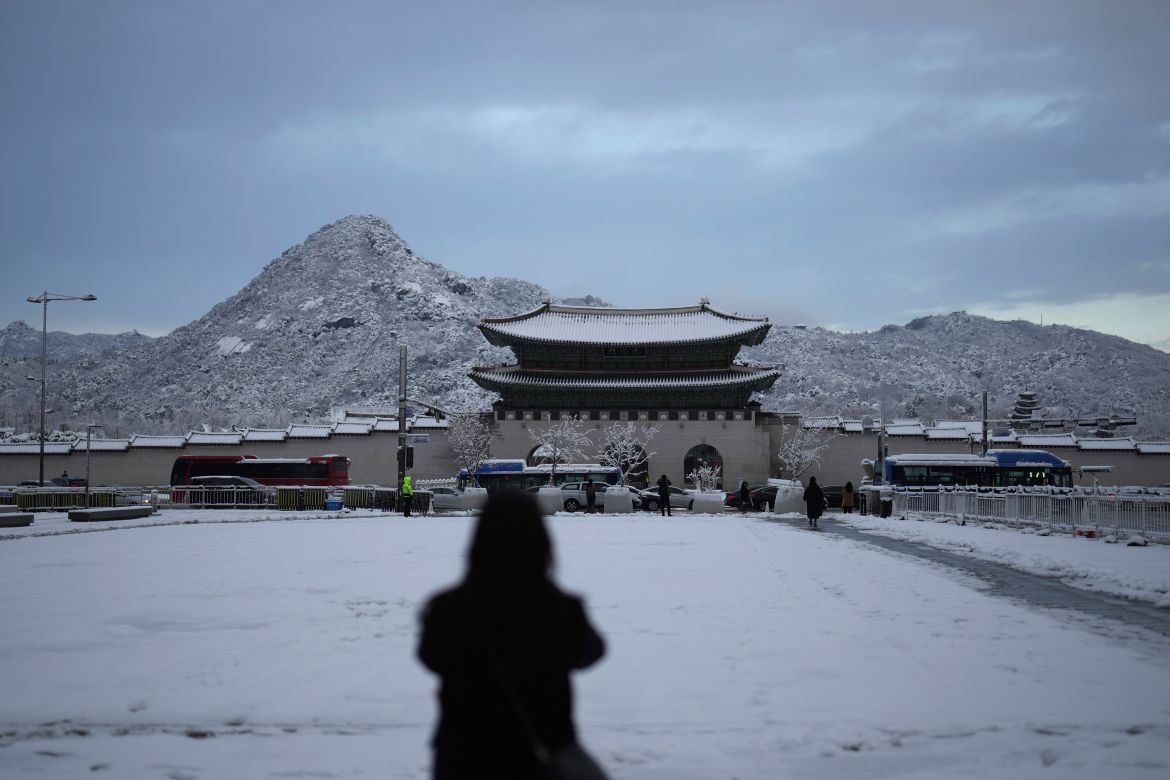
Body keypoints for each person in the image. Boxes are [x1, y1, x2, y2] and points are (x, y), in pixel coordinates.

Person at [418, 492, 607, 779]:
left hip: (464, 756)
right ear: (541, 542)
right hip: (539, 751)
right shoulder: (560, 608)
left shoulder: (448, 608)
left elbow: (430, 657)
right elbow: (590, 653)